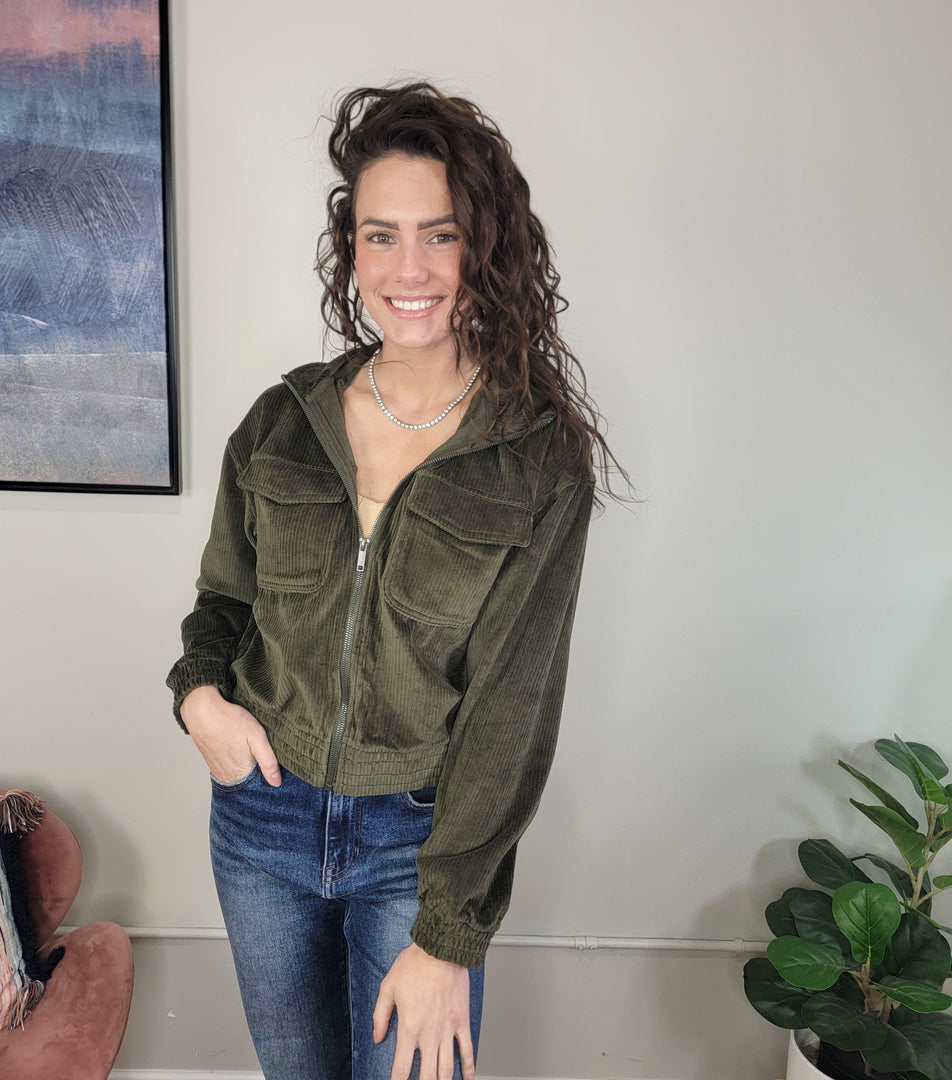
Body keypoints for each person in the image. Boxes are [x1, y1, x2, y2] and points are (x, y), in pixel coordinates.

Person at [167, 81, 624, 1080]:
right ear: (351, 250)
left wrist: (450, 929)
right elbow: (223, 607)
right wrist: (198, 698)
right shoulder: (282, 422)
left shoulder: (536, 460)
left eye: (440, 235)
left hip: (413, 850)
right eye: (380, 236)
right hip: (261, 819)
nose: (407, 269)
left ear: (486, 251)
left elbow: (511, 714)